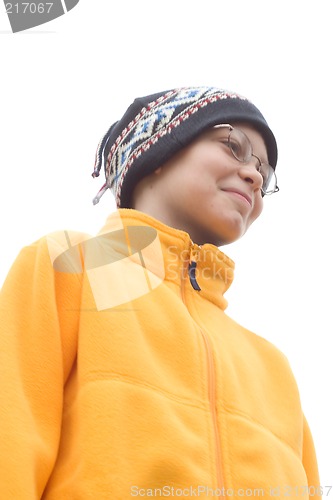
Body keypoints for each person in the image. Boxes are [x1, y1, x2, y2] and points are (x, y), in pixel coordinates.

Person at [0, 86, 321, 499]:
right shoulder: (70, 266)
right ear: (159, 151)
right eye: (232, 147)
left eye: (265, 171)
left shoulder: (274, 368)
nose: (255, 175)